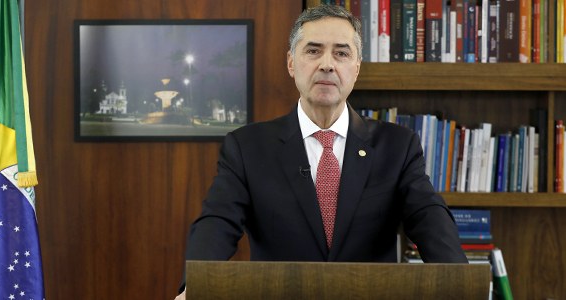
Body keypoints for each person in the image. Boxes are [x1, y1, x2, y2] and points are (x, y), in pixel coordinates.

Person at [175, 4, 467, 299]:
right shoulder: (247, 147)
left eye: (341, 53)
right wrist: (194, 289)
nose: (327, 64)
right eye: (313, 51)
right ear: (291, 63)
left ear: (357, 68)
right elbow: (217, 223)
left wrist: (459, 284)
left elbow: (429, 217)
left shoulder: (398, 146)